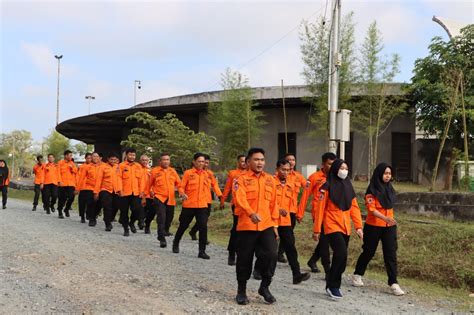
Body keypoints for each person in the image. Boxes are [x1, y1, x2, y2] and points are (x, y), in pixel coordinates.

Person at [233, 148, 279, 305]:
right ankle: (241, 291)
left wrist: (275, 224)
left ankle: (264, 286)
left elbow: (274, 204)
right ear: (248, 162)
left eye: (262, 160)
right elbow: (240, 198)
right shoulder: (241, 179)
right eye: (256, 159)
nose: (260, 163)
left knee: (272, 254)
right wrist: (250, 213)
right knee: (244, 259)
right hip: (247, 225)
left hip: (266, 224)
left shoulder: (270, 180)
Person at [351, 163, 405, 296]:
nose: (387, 176)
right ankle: (357, 274)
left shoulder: (390, 189)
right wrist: (385, 218)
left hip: (389, 227)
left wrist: (388, 220)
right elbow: (372, 210)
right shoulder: (372, 190)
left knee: (391, 254)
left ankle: (393, 283)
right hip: (373, 226)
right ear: (379, 174)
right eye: (385, 173)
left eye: (389, 174)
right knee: (368, 252)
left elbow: (389, 207)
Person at [312, 158, 363, 300]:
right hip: (331, 224)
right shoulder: (326, 186)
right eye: (341, 168)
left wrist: (358, 226)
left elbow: (354, 208)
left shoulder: (348, 186)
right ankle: (334, 286)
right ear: (335, 169)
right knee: (341, 253)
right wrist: (317, 229)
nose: (344, 171)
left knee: (341, 258)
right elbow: (320, 209)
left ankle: (331, 283)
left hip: (345, 226)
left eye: (346, 168)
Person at [297, 152, 336, 274]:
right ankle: (328, 269)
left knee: (327, 241)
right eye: (329, 164)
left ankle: (313, 260)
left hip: (332, 215)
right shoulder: (314, 177)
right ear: (323, 164)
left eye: (334, 164)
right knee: (324, 241)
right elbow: (305, 196)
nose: (332, 166)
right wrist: (300, 213)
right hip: (318, 214)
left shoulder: (336, 177)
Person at [273, 159, 311, 285]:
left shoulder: (291, 184)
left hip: (285, 221)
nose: (285, 172)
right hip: (271, 220)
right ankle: (258, 270)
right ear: (277, 169)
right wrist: (278, 209)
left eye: (288, 170)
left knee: (290, 247)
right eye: (283, 169)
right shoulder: (270, 182)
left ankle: (296, 274)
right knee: (269, 248)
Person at [173, 153, 212, 259]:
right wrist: (182, 193)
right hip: (189, 205)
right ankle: (176, 242)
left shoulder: (207, 174)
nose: (201, 163)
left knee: (203, 227)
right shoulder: (188, 173)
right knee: (183, 226)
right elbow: (181, 186)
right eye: (199, 161)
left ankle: (202, 251)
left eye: (203, 162)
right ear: (194, 162)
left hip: (202, 205)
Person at [276, 153, 306, 263]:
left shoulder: (298, 176)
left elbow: (308, 187)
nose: (291, 162)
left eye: (293, 160)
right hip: (278, 209)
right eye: (289, 160)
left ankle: (280, 253)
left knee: (288, 234)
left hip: (292, 210)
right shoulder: (277, 176)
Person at [148, 153, 181, 248]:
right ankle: (161, 238)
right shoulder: (155, 171)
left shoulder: (173, 171)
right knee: (161, 217)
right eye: (164, 159)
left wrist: (181, 192)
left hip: (170, 198)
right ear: (160, 161)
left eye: (168, 160)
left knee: (169, 217)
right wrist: (144, 196)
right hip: (159, 197)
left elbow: (179, 184)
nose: (166, 161)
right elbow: (148, 184)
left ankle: (165, 231)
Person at [220, 154, 247, 266]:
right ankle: (232, 253)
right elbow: (227, 188)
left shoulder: (251, 174)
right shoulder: (233, 174)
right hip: (236, 206)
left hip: (249, 207)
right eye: (242, 161)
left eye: (246, 161)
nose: (244, 163)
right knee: (236, 230)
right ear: (238, 163)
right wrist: (223, 200)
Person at [189, 154, 222, 242]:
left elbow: (215, 185)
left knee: (204, 219)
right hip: (197, 200)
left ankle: (193, 231)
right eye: (204, 162)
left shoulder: (209, 173)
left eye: (207, 163)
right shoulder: (191, 173)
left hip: (207, 200)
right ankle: (204, 239)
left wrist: (220, 195)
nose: (205, 164)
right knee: (201, 220)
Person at [118, 148, 145, 236]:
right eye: (130, 155)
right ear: (126, 155)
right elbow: (118, 178)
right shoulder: (121, 166)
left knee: (137, 210)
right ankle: (126, 229)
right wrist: (119, 190)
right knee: (124, 212)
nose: (132, 157)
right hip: (124, 193)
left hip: (136, 193)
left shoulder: (138, 166)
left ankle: (132, 222)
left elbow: (142, 180)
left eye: (133, 155)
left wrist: (142, 191)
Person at [94, 153, 122, 232]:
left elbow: (120, 179)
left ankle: (109, 218)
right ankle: (108, 224)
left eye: (114, 160)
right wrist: (96, 192)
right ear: (108, 159)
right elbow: (99, 180)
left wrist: (120, 190)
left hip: (116, 190)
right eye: (111, 159)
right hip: (105, 189)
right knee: (107, 207)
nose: (113, 161)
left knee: (116, 206)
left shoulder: (118, 167)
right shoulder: (103, 167)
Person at [77, 152, 100, 226]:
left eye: (97, 156)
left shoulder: (102, 166)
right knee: (90, 203)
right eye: (93, 157)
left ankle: (92, 215)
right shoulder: (85, 167)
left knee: (99, 204)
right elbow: (81, 177)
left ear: (99, 158)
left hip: (100, 188)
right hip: (88, 187)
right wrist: (78, 188)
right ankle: (91, 219)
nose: (95, 158)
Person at [57, 150, 78, 219]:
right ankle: (60, 211)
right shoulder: (60, 163)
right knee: (62, 198)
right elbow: (58, 173)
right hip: (63, 184)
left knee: (72, 197)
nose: (71, 157)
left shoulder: (72, 163)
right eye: (70, 155)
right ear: (65, 156)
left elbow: (76, 171)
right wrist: (59, 181)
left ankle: (66, 209)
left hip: (71, 184)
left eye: (71, 155)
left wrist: (72, 168)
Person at [137, 154, 153, 232]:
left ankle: (146, 223)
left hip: (148, 193)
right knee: (140, 209)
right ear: (140, 161)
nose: (144, 161)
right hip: (139, 192)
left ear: (148, 161)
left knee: (149, 210)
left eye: (146, 160)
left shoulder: (150, 170)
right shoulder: (137, 168)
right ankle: (141, 222)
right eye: (143, 160)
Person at [76, 153, 92, 223]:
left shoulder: (94, 167)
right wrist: (77, 187)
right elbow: (78, 177)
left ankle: (88, 214)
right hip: (82, 187)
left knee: (90, 202)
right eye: (88, 158)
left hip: (90, 187)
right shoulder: (81, 167)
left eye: (90, 158)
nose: (89, 159)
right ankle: (82, 216)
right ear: (85, 158)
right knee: (82, 203)